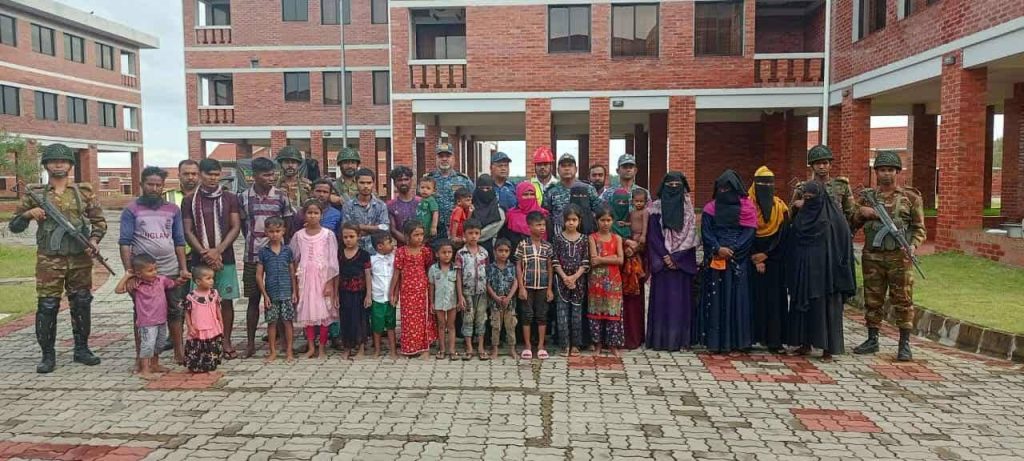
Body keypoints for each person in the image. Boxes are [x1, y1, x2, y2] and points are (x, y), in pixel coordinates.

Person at [10, 143, 107, 373]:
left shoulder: (84, 192)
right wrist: (28, 214)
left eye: (63, 161)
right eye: (53, 161)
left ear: (70, 165)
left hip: (79, 259)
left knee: (81, 302)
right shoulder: (36, 194)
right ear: (46, 165)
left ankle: (81, 349)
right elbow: (14, 226)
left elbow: (99, 222)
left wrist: (94, 241)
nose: (58, 165)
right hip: (49, 260)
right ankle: (47, 355)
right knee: (47, 305)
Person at [850, 150, 926, 361]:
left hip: (899, 257)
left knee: (903, 299)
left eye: (891, 170)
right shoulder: (867, 198)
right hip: (872, 256)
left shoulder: (910, 198)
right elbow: (851, 223)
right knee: (872, 298)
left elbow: (919, 228)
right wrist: (862, 213)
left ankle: (904, 344)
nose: (886, 174)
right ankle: (872, 339)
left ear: (898, 172)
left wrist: (912, 246)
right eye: (882, 170)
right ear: (876, 172)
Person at [118, 167, 190, 366]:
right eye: (150, 184)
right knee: (143, 314)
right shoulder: (131, 210)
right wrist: (130, 273)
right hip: (143, 273)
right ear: (142, 184)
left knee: (175, 311)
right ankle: (142, 358)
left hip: (169, 268)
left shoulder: (173, 210)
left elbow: (179, 241)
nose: (154, 188)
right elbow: (125, 243)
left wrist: (183, 268)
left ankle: (179, 353)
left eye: (159, 185)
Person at [786, 181, 856, 360]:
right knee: (803, 306)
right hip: (804, 271)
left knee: (826, 309)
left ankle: (828, 349)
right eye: (806, 198)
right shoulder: (802, 216)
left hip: (827, 274)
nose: (808, 201)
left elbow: (843, 242)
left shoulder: (834, 218)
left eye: (812, 198)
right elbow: (792, 237)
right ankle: (804, 343)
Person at [182, 158, 242, 360]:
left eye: (217, 175)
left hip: (225, 258)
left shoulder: (229, 198)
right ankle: (202, 341)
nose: (213, 178)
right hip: (200, 261)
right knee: (200, 302)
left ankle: (226, 341)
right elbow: (188, 230)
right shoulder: (190, 200)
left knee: (226, 301)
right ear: (201, 174)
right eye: (209, 174)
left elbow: (235, 226)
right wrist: (205, 253)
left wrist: (218, 251)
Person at [696, 170, 758, 354]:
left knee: (738, 299)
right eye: (721, 189)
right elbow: (706, 232)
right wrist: (717, 249)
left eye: (728, 189)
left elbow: (749, 234)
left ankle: (738, 342)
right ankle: (716, 343)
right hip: (716, 260)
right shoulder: (710, 209)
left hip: (738, 261)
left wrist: (732, 251)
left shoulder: (748, 208)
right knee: (716, 300)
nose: (724, 192)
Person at [238, 157, 294, 358]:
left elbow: (288, 224)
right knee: (253, 299)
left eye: (272, 174)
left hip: (278, 257)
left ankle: (282, 343)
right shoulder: (243, 197)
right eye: (266, 175)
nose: (271, 178)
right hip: (253, 256)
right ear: (254, 175)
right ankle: (250, 344)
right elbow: (243, 226)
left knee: (280, 299)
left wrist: (280, 248)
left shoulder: (281, 196)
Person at [645, 172, 699, 351]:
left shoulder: (689, 210)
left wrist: (676, 257)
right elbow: (653, 235)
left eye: (677, 185)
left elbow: (691, 236)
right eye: (670, 185)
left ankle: (681, 341)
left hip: (681, 265)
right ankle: (660, 341)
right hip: (663, 264)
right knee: (662, 303)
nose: (674, 188)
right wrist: (665, 256)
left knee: (680, 304)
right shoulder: (656, 208)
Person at [115, 254, 186, 379]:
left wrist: (180, 281)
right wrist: (127, 276)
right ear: (139, 273)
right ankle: (144, 369)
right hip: (146, 322)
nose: (154, 272)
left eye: (155, 269)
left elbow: (173, 284)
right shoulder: (136, 285)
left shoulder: (161, 280)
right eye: (150, 270)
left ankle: (155, 364)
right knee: (147, 345)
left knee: (159, 344)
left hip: (161, 320)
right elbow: (118, 290)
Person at [747, 166, 790, 354]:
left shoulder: (781, 208)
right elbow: (744, 233)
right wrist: (755, 258)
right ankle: (749, 338)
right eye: (761, 184)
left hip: (774, 263)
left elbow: (783, 236)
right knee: (751, 300)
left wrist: (766, 255)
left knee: (774, 302)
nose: (765, 187)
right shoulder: (746, 206)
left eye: (769, 184)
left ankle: (774, 341)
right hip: (750, 261)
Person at [291, 200, 340, 359]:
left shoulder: (328, 235)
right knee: (308, 314)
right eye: (309, 213)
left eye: (316, 213)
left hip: (323, 278)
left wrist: (330, 283)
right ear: (304, 215)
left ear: (321, 215)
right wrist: (296, 284)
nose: (312, 216)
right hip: (305, 280)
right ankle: (311, 347)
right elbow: (295, 259)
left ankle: (322, 348)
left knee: (324, 314)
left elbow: (332, 261)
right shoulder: (299, 236)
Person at [390, 220, 437, 359]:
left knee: (423, 319)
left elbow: (429, 270)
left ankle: (425, 349)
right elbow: (397, 273)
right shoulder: (401, 252)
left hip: (423, 291)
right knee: (409, 320)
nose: (419, 238)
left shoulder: (425, 251)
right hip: (406, 291)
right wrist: (392, 292)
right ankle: (411, 348)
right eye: (416, 235)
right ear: (407, 236)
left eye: (421, 234)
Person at [255, 217, 297, 363]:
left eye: (277, 231)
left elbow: (292, 272)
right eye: (271, 231)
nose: (274, 234)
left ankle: (289, 350)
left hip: (286, 293)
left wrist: (294, 291)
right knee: (271, 323)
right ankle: (272, 351)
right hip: (271, 294)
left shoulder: (287, 251)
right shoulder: (263, 252)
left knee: (288, 322)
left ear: (283, 231)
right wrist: (265, 295)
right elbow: (259, 275)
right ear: (266, 232)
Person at [515, 211, 555, 360]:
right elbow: (518, 266)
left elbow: (550, 267)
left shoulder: (547, 246)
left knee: (542, 315)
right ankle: (527, 346)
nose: (542, 228)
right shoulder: (522, 245)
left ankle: (541, 346)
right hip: (527, 286)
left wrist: (550, 288)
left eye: (543, 224)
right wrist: (521, 287)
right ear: (529, 227)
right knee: (527, 315)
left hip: (543, 286)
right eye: (538, 225)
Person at [552, 204, 589, 356]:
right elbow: (555, 260)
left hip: (578, 281)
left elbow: (585, 261)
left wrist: (574, 277)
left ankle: (575, 345)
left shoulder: (584, 239)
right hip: (561, 280)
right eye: (568, 220)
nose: (571, 223)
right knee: (562, 313)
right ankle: (564, 345)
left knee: (576, 313)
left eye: (574, 220)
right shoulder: (558, 238)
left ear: (579, 221)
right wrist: (565, 277)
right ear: (563, 221)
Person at [610, 188, 645, 350]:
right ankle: (613, 338)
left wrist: (635, 248)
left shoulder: (634, 217)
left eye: (624, 202)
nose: (621, 205)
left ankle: (633, 338)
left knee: (632, 305)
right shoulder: (608, 221)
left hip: (633, 271)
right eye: (618, 202)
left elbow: (643, 238)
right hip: (614, 270)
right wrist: (624, 243)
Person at [588, 206, 625, 357]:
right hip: (596, 281)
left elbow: (621, 260)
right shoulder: (592, 238)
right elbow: (593, 260)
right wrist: (612, 258)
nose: (605, 223)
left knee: (613, 312)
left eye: (608, 220)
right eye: (602, 220)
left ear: (613, 221)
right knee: (596, 312)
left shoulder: (617, 238)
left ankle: (613, 345)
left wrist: (602, 259)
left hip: (613, 282)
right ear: (597, 221)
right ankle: (597, 345)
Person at [792, 145, 856, 224]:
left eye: (825, 163)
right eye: (817, 163)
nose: (821, 167)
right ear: (812, 167)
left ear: (830, 165)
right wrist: (796, 206)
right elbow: (789, 217)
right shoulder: (802, 188)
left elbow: (851, 215)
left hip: (835, 228)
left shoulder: (842, 186)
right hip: (811, 228)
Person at [456, 220, 490, 360]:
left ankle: (481, 346)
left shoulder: (484, 253)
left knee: (481, 318)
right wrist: (460, 296)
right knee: (468, 319)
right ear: (464, 235)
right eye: (470, 233)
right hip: (467, 293)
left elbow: (487, 273)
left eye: (476, 233)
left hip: (482, 293)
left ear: (480, 234)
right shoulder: (461, 253)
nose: (473, 236)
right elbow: (458, 276)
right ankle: (469, 347)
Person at [544, 154, 601, 236]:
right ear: (558, 170)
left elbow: (600, 212)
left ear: (576, 169)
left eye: (570, 165)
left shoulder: (588, 189)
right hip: (559, 238)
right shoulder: (551, 191)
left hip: (584, 236)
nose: (567, 168)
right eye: (563, 166)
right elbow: (546, 216)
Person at [425, 143, 474, 239]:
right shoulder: (428, 180)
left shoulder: (464, 180)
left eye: (448, 156)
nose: (444, 159)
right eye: (441, 156)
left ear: (453, 159)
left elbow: (472, 203)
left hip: (458, 230)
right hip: (434, 230)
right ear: (436, 159)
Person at [338, 223, 372, 359]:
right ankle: (347, 347)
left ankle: (361, 348)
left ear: (358, 236)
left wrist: (368, 295)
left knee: (360, 320)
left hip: (359, 293)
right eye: (345, 237)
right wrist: (335, 294)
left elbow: (368, 275)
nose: (348, 240)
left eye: (351, 236)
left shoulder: (364, 254)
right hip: (344, 292)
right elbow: (337, 274)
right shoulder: (340, 254)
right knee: (345, 319)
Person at [182, 265, 224, 373]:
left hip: (212, 326)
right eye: (208, 278)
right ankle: (196, 365)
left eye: (212, 278)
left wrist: (220, 321)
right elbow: (187, 312)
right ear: (198, 281)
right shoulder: (191, 297)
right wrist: (189, 326)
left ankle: (210, 364)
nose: (211, 281)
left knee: (211, 346)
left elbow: (217, 308)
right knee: (197, 347)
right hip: (198, 327)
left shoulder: (214, 294)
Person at [342, 168, 390, 254]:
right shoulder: (348, 205)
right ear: (356, 183)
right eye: (362, 183)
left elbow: (385, 229)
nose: (365, 186)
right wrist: (375, 228)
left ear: (373, 184)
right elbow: (347, 228)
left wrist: (360, 227)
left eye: (369, 183)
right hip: (355, 251)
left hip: (376, 252)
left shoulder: (381, 205)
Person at [487, 238, 519, 359]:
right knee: (496, 326)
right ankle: (495, 349)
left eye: (506, 251)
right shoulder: (490, 267)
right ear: (495, 251)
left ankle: (512, 349)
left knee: (510, 326)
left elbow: (515, 282)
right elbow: (488, 284)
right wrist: (495, 297)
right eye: (500, 250)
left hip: (509, 304)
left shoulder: (512, 267)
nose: (503, 253)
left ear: (510, 252)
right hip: (495, 304)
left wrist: (509, 297)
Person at [429, 239, 460, 360]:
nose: (447, 255)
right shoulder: (433, 269)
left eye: (449, 252)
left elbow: (458, 285)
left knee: (451, 325)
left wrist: (460, 299)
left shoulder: (455, 268)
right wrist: (431, 302)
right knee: (441, 325)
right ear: (437, 254)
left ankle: (452, 350)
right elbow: (431, 286)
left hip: (452, 301)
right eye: (444, 252)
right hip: (439, 301)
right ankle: (442, 349)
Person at [369, 233, 398, 359]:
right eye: (389, 243)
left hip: (390, 299)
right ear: (380, 246)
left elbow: (397, 276)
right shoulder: (372, 260)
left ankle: (393, 350)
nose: (392, 245)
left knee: (391, 325)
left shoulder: (394, 258)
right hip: (377, 298)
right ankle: (377, 350)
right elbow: (369, 277)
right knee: (377, 326)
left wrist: (395, 294)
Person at [500, 182, 547, 253]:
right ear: (518, 196)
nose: (529, 197)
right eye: (525, 194)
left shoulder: (543, 215)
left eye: (532, 194)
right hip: (516, 255)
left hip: (540, 255)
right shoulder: (510, 215)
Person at [471, 174, 506, 254]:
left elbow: (489, 232)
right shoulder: (470, 208)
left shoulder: (499, 212)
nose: (485, 191)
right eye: (481, 188)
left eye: (488, 188)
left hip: (490, 250)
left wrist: (470, 237)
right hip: (468, 250)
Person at [275, 146, 312, 214]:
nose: (290, 165)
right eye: (286, 162)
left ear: (298, 165)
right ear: (281, 164)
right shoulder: (274, 184)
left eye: (293, 162)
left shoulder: (307, 184)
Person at [387, 166, 419, 245]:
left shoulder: (422, 203)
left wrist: (419, 242)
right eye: (399, 180)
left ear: (411, 181)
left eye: (406, 179)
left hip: (423, 247)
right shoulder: (390, 205)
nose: (403, 183)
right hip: (402, 248)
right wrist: (410, 243)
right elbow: (393, 230)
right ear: (394, 183)